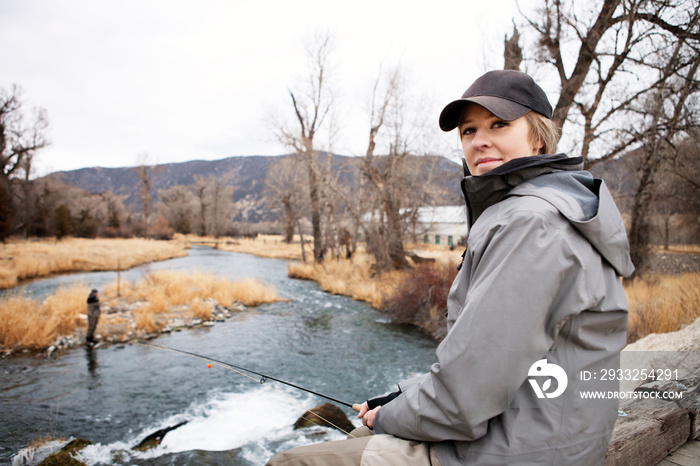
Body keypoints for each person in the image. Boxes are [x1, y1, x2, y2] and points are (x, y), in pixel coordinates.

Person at [266, 70, 634, 466]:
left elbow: (467, 397)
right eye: (468, 131)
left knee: (290, 462)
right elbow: (491, 363)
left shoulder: (532, 225)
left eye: (499, 124)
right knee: (361, 431)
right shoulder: (548, 206)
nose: (480, 141)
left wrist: (388, 415)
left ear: (539, 135)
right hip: (543, 435)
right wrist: (399, 395)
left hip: (516, 451)